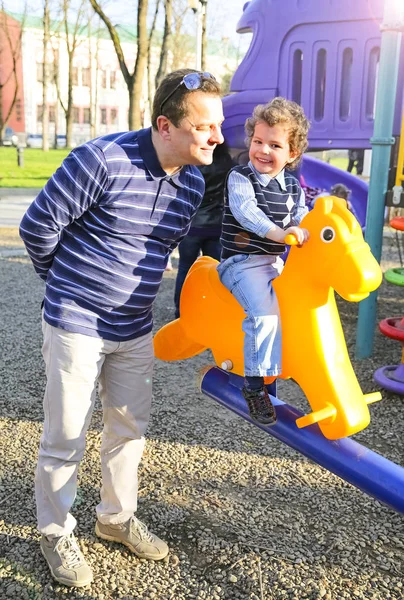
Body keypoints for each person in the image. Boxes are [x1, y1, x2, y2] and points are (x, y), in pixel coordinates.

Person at [19, 68, 224, 588]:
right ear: (165, 126)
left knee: (128, 430)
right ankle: (54, 530)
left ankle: (114, 519)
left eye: (217, 125)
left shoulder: (194, 182)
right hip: (77, 323)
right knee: (66, 435)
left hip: (134, 328)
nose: (218, 137)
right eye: (205, 127)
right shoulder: (101, 160)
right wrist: (66, 286)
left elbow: (164, 250)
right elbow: (37, 226)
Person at [218, 97, 310, 425]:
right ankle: (255, 385)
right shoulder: (240, 177)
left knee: (299, 305)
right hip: (241, 262)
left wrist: (302, 228)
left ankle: (288, 368)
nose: (263, 151)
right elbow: (249, 215)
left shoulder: (292, 187)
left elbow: (301, 215)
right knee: (264, 315)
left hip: (272, 263)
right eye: (258, 141)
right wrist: (282, 234)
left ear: (292, 154)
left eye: (274, 144)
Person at [174, 141, 234, 318]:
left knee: (185, 269)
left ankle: (181, 312)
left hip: (191, 226)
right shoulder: (227, 163)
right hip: (216, 225)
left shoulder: (191, 162)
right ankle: (213, 311)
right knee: (215, 273)